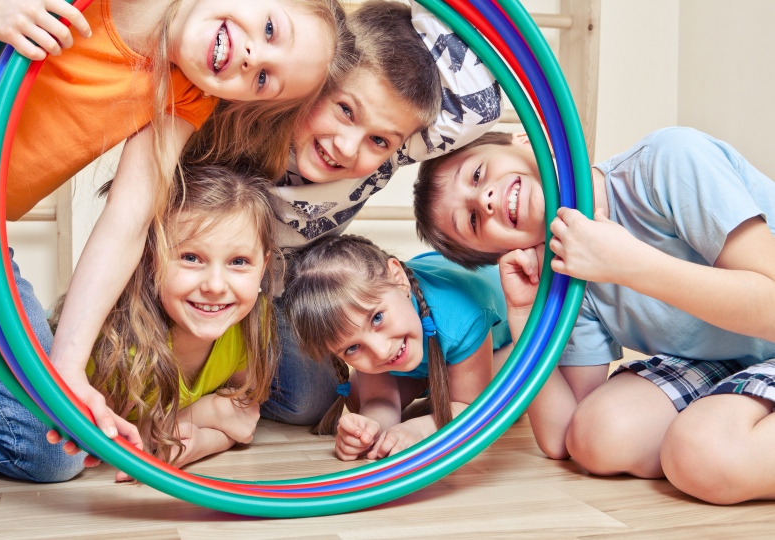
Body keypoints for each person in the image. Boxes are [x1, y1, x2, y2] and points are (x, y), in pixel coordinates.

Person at [0, 0, 344, 493]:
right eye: (268, 27)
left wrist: (68, 367)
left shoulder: (188, 92)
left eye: (263, 79)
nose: (250, 57)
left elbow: (129, 221)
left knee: (53, 453)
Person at [413, 127, 775, 504]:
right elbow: (562, 436)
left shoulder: (667, 161)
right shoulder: (567, 272)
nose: (484, 199)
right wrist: (522, 317)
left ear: (524, 141)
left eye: (476, 174)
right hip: (731, 356)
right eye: (472, 220)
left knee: (701, 454)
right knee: (597, 436)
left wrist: (628, 265)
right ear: (496, 252)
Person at [241, 0, 504, 428]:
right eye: (345, 110)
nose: (347, 148)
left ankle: (238, 367)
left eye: (379, 140)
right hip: (224, 265)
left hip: (296, 283)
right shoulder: (266, 110)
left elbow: (480, 105)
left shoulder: (389, 152)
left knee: (307, 403)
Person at [51, 163, 278, 480]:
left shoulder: (250, 320)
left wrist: (198, 443)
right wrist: (205, 412)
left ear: (263, 266)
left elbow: (245, 419)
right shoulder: (119, 341)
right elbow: (108, 441)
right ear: (151, 258)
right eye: (191, 257)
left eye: (239, 262)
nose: (215, 285)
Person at [282, 234, 511, 460]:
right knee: (356, 394)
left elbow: (472, 411)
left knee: (498, 396)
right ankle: (435, 387)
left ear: (399, 278)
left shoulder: (463, 315)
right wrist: (368, 430)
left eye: (377, 318)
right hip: (430, 344)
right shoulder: (373, 326)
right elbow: (379, 401)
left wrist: (420, 430)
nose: (381, 351)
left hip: (503, 342)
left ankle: (443, 391)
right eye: (352, 348)